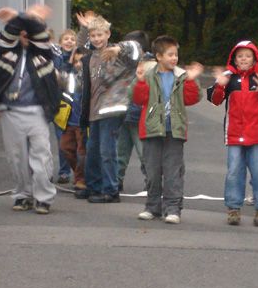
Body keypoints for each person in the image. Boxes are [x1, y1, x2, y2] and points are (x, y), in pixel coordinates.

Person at [0, 5, 61, 215]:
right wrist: (18, 19)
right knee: (16, 157)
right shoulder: (6, 51)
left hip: (37, 111)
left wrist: (24, 17)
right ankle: (23, 194)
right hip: (11, 111)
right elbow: (9, 33)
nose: (25, 35)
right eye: (21, 32)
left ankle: (43, 198)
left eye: (29, 32)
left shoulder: (44, 52)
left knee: (41, 157)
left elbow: (39, 32)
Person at [207, 40, 258, 227]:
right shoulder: (228, 77)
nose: (243, 59)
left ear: (255, 58)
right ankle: (233, 208)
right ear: (234, 59)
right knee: (234, 172)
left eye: (247, 56)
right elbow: (215, 100)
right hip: (234, 135)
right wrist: (220, 86)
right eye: (240, 56)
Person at [131, 35, 203, 224]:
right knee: (152, 171)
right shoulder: (148, 75)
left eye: (176, 55)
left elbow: (192, 98)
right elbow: (137, 99)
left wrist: (191, 80)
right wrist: (140, 82)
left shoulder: (181, 76)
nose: (174, 58)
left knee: (173, 172)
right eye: (170, 55)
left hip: (174, 131)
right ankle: (152, 207)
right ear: (159, 56)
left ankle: (173, 209)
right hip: (151, 130)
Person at [76, 14, 143, 203]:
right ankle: (94, 186)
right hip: (94, 110)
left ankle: (111, 190)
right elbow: (79, 46)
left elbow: (137, 48)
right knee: (92, 150)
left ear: (108, 34)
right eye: (93, 35)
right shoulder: (90, 55)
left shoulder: (119, 54)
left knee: (107, 151)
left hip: (113, 108)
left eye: (100, 35)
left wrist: (118, 48)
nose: (97, 39)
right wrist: (84, 28)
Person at [116, 30, 154, 192]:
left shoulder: (150, 66)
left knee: (144, 153)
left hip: (140, 116)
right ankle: (116, 181)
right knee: (120, 152)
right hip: (122, 114)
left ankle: (152, 183)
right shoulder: (122, 63)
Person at [56, 46, 88, 191]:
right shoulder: (70, 75)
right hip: (68, 120)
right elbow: (61, 76)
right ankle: (80, 174)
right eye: (75, 62)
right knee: (65, 147)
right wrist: (69, 62)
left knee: (82, 152)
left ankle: (81, 179)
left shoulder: (90, 76)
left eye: (81, 61)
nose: (78, 64)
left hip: (82, 122)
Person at [51, 29, 77, 184]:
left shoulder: (79, 57)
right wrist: (68, 62)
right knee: (62, 140)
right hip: (60, 104)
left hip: (75, 105)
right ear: (60, 43)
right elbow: (60, 76)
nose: (69, 41)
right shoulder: (57, 58)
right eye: (66, 39)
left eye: (72, 39)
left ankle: (79, 173)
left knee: (76, 142)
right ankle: (64, 172)